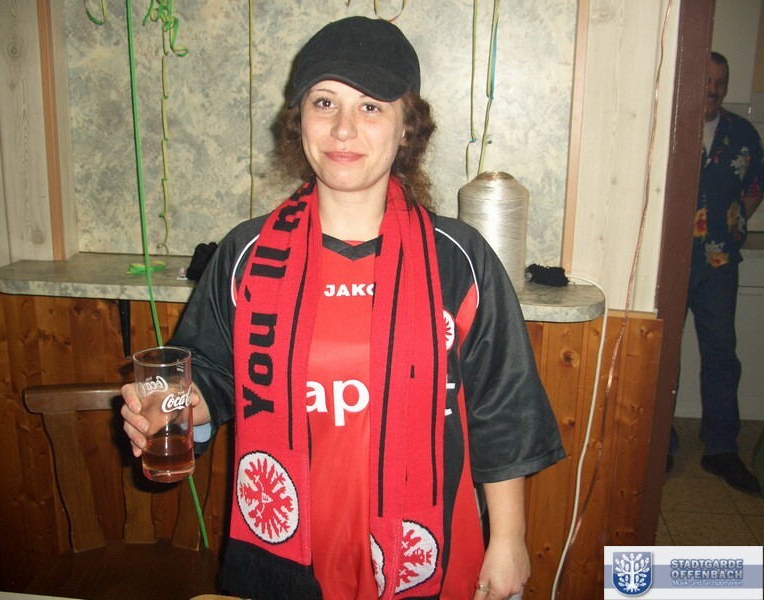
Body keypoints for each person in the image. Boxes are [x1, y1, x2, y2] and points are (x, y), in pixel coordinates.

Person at [121, 16, 565, 599]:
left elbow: (500, 409)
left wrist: (508, 539)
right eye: (324, 102)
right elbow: (213, 375)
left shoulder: (459, 259)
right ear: (299, 120)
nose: (343, 128)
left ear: (407, 129)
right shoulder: (247, 255)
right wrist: (174, 408)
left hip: (429, 550)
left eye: (371, 107)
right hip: (293, 556)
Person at [673, 51, 763, 494]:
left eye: (720, 82)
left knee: (722, 354)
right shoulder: (672, 128)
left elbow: (754, 190)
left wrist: (731, 228)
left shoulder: (742, 134)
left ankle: (722, 448)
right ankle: (660, 441)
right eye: (706, 80)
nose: (712, 89)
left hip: (719, 264)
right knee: (664, 354)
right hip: (670, 262)